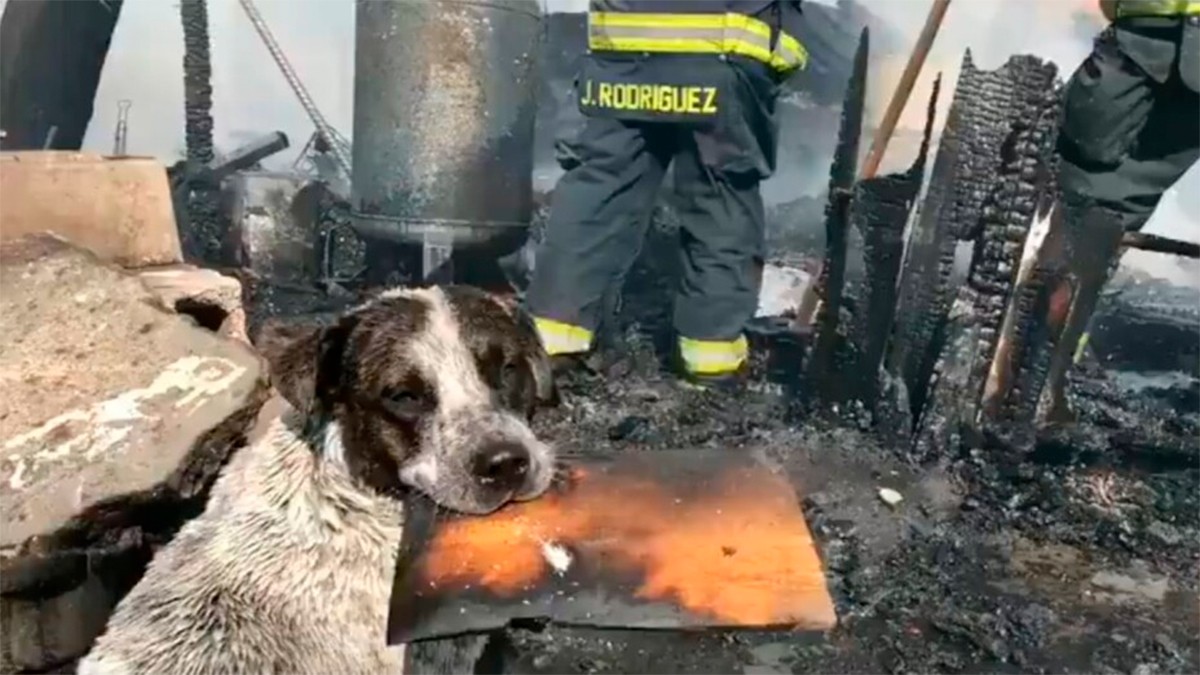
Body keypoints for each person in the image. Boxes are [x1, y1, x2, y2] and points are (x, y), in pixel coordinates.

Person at [525, 0, 808, 387]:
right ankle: (711, 364)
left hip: (621, 53)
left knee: (598, 191)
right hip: (723, 51)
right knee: (720, 199)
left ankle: (550, 345)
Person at [1037, 0, 1198, 418]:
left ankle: (1035, 364)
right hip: (1143, 38)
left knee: (1095, 206)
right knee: (1080, 194)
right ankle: (1036, 365)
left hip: (1152, 43)